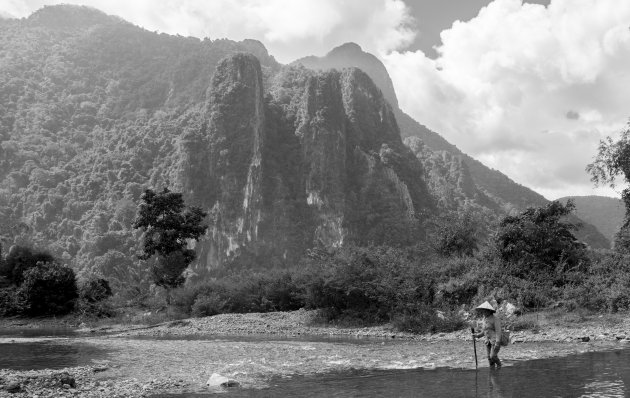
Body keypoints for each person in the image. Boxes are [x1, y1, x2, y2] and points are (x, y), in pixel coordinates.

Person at [472, 301, 502, 368]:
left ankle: (499, 365)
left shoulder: (495, 319)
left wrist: (497, 342)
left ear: (489, 311)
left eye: (484, 311)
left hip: (495, 341)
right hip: (487, 341)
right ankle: (492, 373)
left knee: (493, 356)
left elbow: (498, 331)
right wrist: (477, 336)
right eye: (482, 311)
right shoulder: (484, 319)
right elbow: (484, 331)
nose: (483, 312)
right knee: (489, 358)